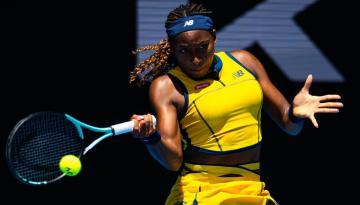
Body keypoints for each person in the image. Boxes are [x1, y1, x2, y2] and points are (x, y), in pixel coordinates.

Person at [129, 3, 343, 205]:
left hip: (252, 187)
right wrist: (151, 136)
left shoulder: (245, 62)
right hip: (202, 191)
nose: (195, 59)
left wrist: (295, 114)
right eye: (184, 50)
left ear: (214, 37)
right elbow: (173, 161)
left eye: (202, 47)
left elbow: (290, 126)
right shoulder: (166, 87)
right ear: (172, 48)